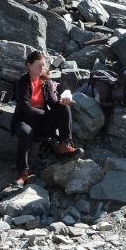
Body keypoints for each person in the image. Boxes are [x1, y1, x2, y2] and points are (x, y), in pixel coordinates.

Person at [11, 50, 82, 186]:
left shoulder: (46, 81)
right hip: (24, 121)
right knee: (26, 132)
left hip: (42, 123)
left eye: (43, 65)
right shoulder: (21, 83)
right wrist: (47, 114)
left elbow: (53, 103)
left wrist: (63, 101)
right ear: (29, 65)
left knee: (64, 108)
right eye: (39, 65)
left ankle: (64, 145)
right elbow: (25, 108)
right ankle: (23, 173)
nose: (42, 68)